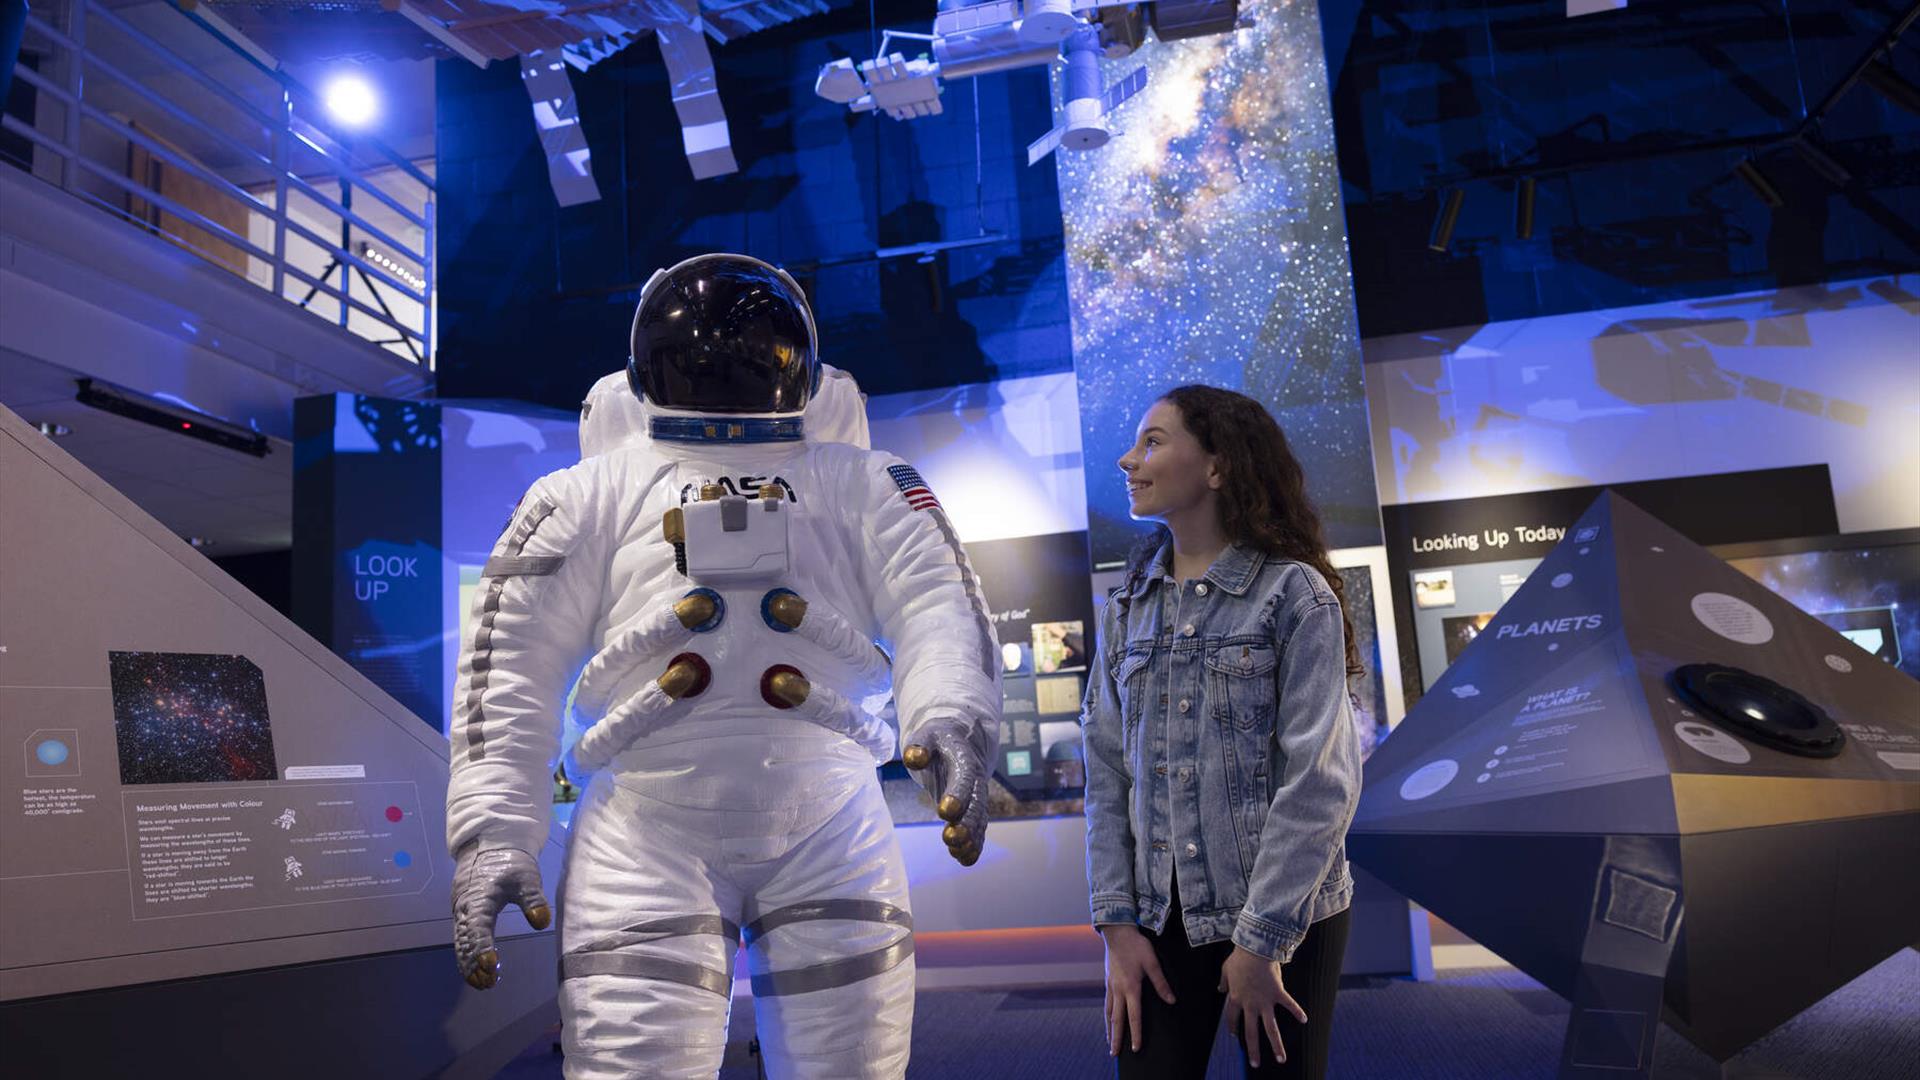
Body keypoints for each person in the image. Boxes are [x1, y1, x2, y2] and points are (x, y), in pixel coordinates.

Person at [444, 253, 1001, 1079]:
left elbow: (939, 608)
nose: (724, 367)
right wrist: (493, 834)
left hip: (828, 821)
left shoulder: (868, 485)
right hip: (649, 834)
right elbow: (509, 671)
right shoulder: (585, 496)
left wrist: (951, 715)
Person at [1082, 384, 1364, 1079]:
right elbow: (1106, 772)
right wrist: (1117, 925)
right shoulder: (1128, 604)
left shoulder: (1294, 595)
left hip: (1287, 914)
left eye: (1153, 441)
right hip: (1156, 918)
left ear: (1217, 466)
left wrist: (1263, 942)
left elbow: (1320, 781)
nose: (1128, 459)